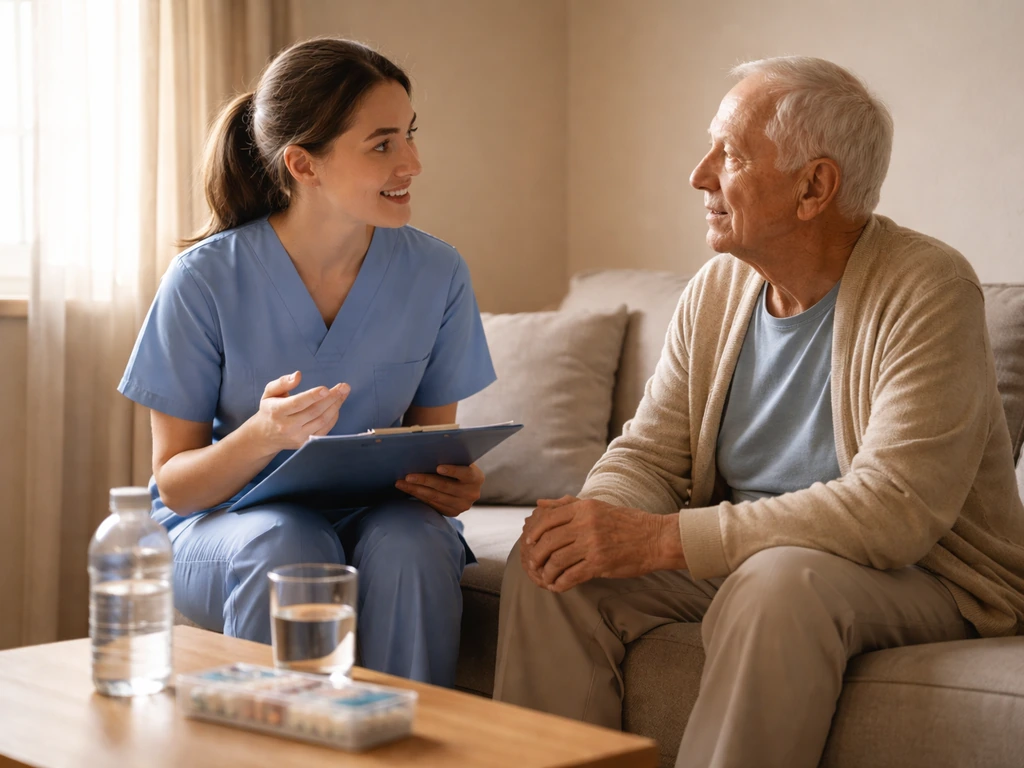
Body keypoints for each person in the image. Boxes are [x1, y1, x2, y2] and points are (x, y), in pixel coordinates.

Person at [493, 56, 1024, 766]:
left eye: (732, 154)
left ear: (814, 187)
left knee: (777, 583)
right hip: (751, 555)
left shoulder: (928, 288)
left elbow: (894, 510)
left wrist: (659, 541)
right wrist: (600, 524)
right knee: (552, 564)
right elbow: (649, 455)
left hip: (925, 575)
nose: (700, 174)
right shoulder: (717, 290)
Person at [118, 37, 496, 688]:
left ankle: (410, 750)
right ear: (303, 164)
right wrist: (263, 436)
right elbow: (175, 484)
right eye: (382, 144)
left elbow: (434, 445)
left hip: (380, 515)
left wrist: (455, 486)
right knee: (287, 544)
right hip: (228, 527)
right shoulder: (203, 280)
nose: (413, 162)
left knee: (413, 543)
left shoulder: (438, 273)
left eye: (409, 135)